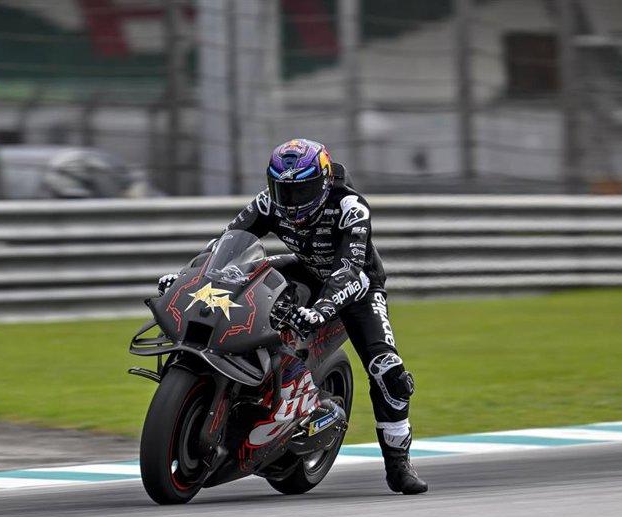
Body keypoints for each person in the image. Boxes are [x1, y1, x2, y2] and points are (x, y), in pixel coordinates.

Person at [158, 138, 427, 494]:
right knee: (241, 281)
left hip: (359, 286)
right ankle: (249, 385)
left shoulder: (350, 207)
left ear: (326, 180)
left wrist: (321, 311)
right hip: (304, 271)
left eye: (304, 190)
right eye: (284, 191)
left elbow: (349, 270)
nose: (293, 201)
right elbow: (223, 244)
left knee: (388, 372)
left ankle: (398, 464)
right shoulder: (268, 203)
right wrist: (186, 279)